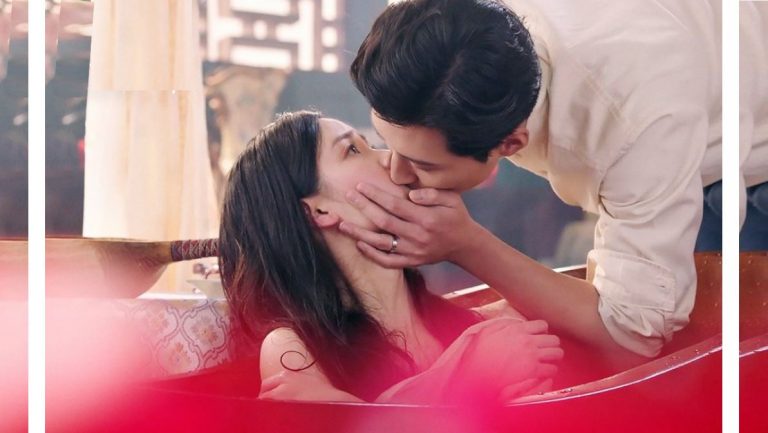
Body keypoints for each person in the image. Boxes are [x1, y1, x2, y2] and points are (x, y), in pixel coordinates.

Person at [343, 0, 721, 365]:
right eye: (381, 141)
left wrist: (466, 244)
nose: (396, 173)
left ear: (510, 144)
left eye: (423, 164)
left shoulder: (636, 124)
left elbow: (634, 335)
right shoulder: (424, 33)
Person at [217, 111, 563, 403]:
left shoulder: (492, 327)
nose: (391, 159)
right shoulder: (294, 349)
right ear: (316, 211)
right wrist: (466, 370)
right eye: (353, 150)